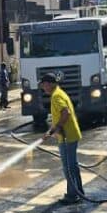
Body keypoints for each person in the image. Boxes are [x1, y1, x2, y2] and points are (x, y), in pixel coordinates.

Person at [40, 73, 84, 205]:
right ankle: (78, 191)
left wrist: (56, 128)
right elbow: (61, 115)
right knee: (73, 166)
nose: (43, 87)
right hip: (68, 135)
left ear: (50, 83)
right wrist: (51, 131)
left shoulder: (56, 96)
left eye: (43, 84)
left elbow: (66, 113)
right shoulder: (59, 93)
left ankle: (73, 194)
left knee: (69, 167)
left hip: (67, 136)